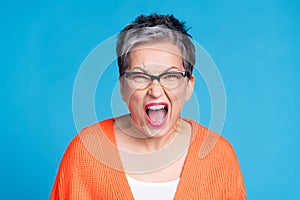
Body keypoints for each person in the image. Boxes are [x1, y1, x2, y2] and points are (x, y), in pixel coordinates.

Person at [50, 14, 246, 199]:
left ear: (189, 86)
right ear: (123, 87)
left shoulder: (219, 157)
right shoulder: (85, 152)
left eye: (171, 76)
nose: (155, 90)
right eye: (140, 76)